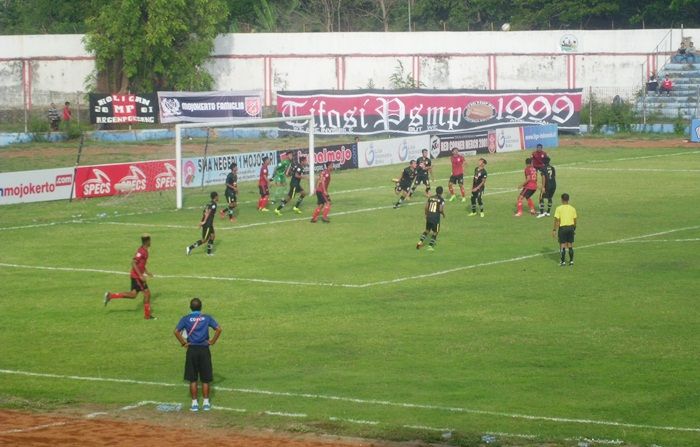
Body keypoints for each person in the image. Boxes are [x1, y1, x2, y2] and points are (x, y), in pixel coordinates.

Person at [174, 297, 222, 412]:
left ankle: (194, 403)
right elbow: (219, 329)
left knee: (193, 379)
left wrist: (183, 343)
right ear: (201, 307)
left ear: (190, 307)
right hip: (204, 349)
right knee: (205, 379)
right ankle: (206, 403)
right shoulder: (206, 318)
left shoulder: (186, 319)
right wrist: (212, 341)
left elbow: (176, 331)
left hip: (192, 350)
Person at [104, 234, 155, 320]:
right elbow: (133, 263)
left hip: (136, 276)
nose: (151, 242)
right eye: (150, 240)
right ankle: (147, 315)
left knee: (133, 295)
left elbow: (141, 264)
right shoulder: (141, 251)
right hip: (137, 277)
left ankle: (110, 296)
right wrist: (140, 276)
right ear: (147, 241)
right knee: (147, 294)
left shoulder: (145, 250)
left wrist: (147, 272)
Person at [186, 191, 218, 256]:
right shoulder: (214, 204)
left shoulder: (208, 204)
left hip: (209, 224)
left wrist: (201, 222)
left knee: (212, 236)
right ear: (215, 197)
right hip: (207, 224)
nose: (218, 197)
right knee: (204, 240)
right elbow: (207, 213)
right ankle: (189, 248)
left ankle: (209, 253)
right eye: (218, 196)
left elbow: (204, 213)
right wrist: (204, 221)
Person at [416, 186, 445, 251]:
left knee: (427, 230)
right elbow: (440, 209)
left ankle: (420, 242)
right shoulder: (441, 200)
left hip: (429, 216)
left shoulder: (430, 198)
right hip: (435, 218)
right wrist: (443, 214)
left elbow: (426, 207)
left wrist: (426, 214)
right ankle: (430, 246)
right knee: (435, 232)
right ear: (442, 192)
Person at [552, 193, 577, 266]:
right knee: (570, 245)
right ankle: (571, 261)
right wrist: (574, 229)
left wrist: (554, 230)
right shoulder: (572, 208)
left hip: (563, 228)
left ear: (562, 199)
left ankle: (563, 262)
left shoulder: (559, 208)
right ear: (568, 199)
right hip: (571, 228)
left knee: (562, 245)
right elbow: (575, 220)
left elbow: (557, 220)